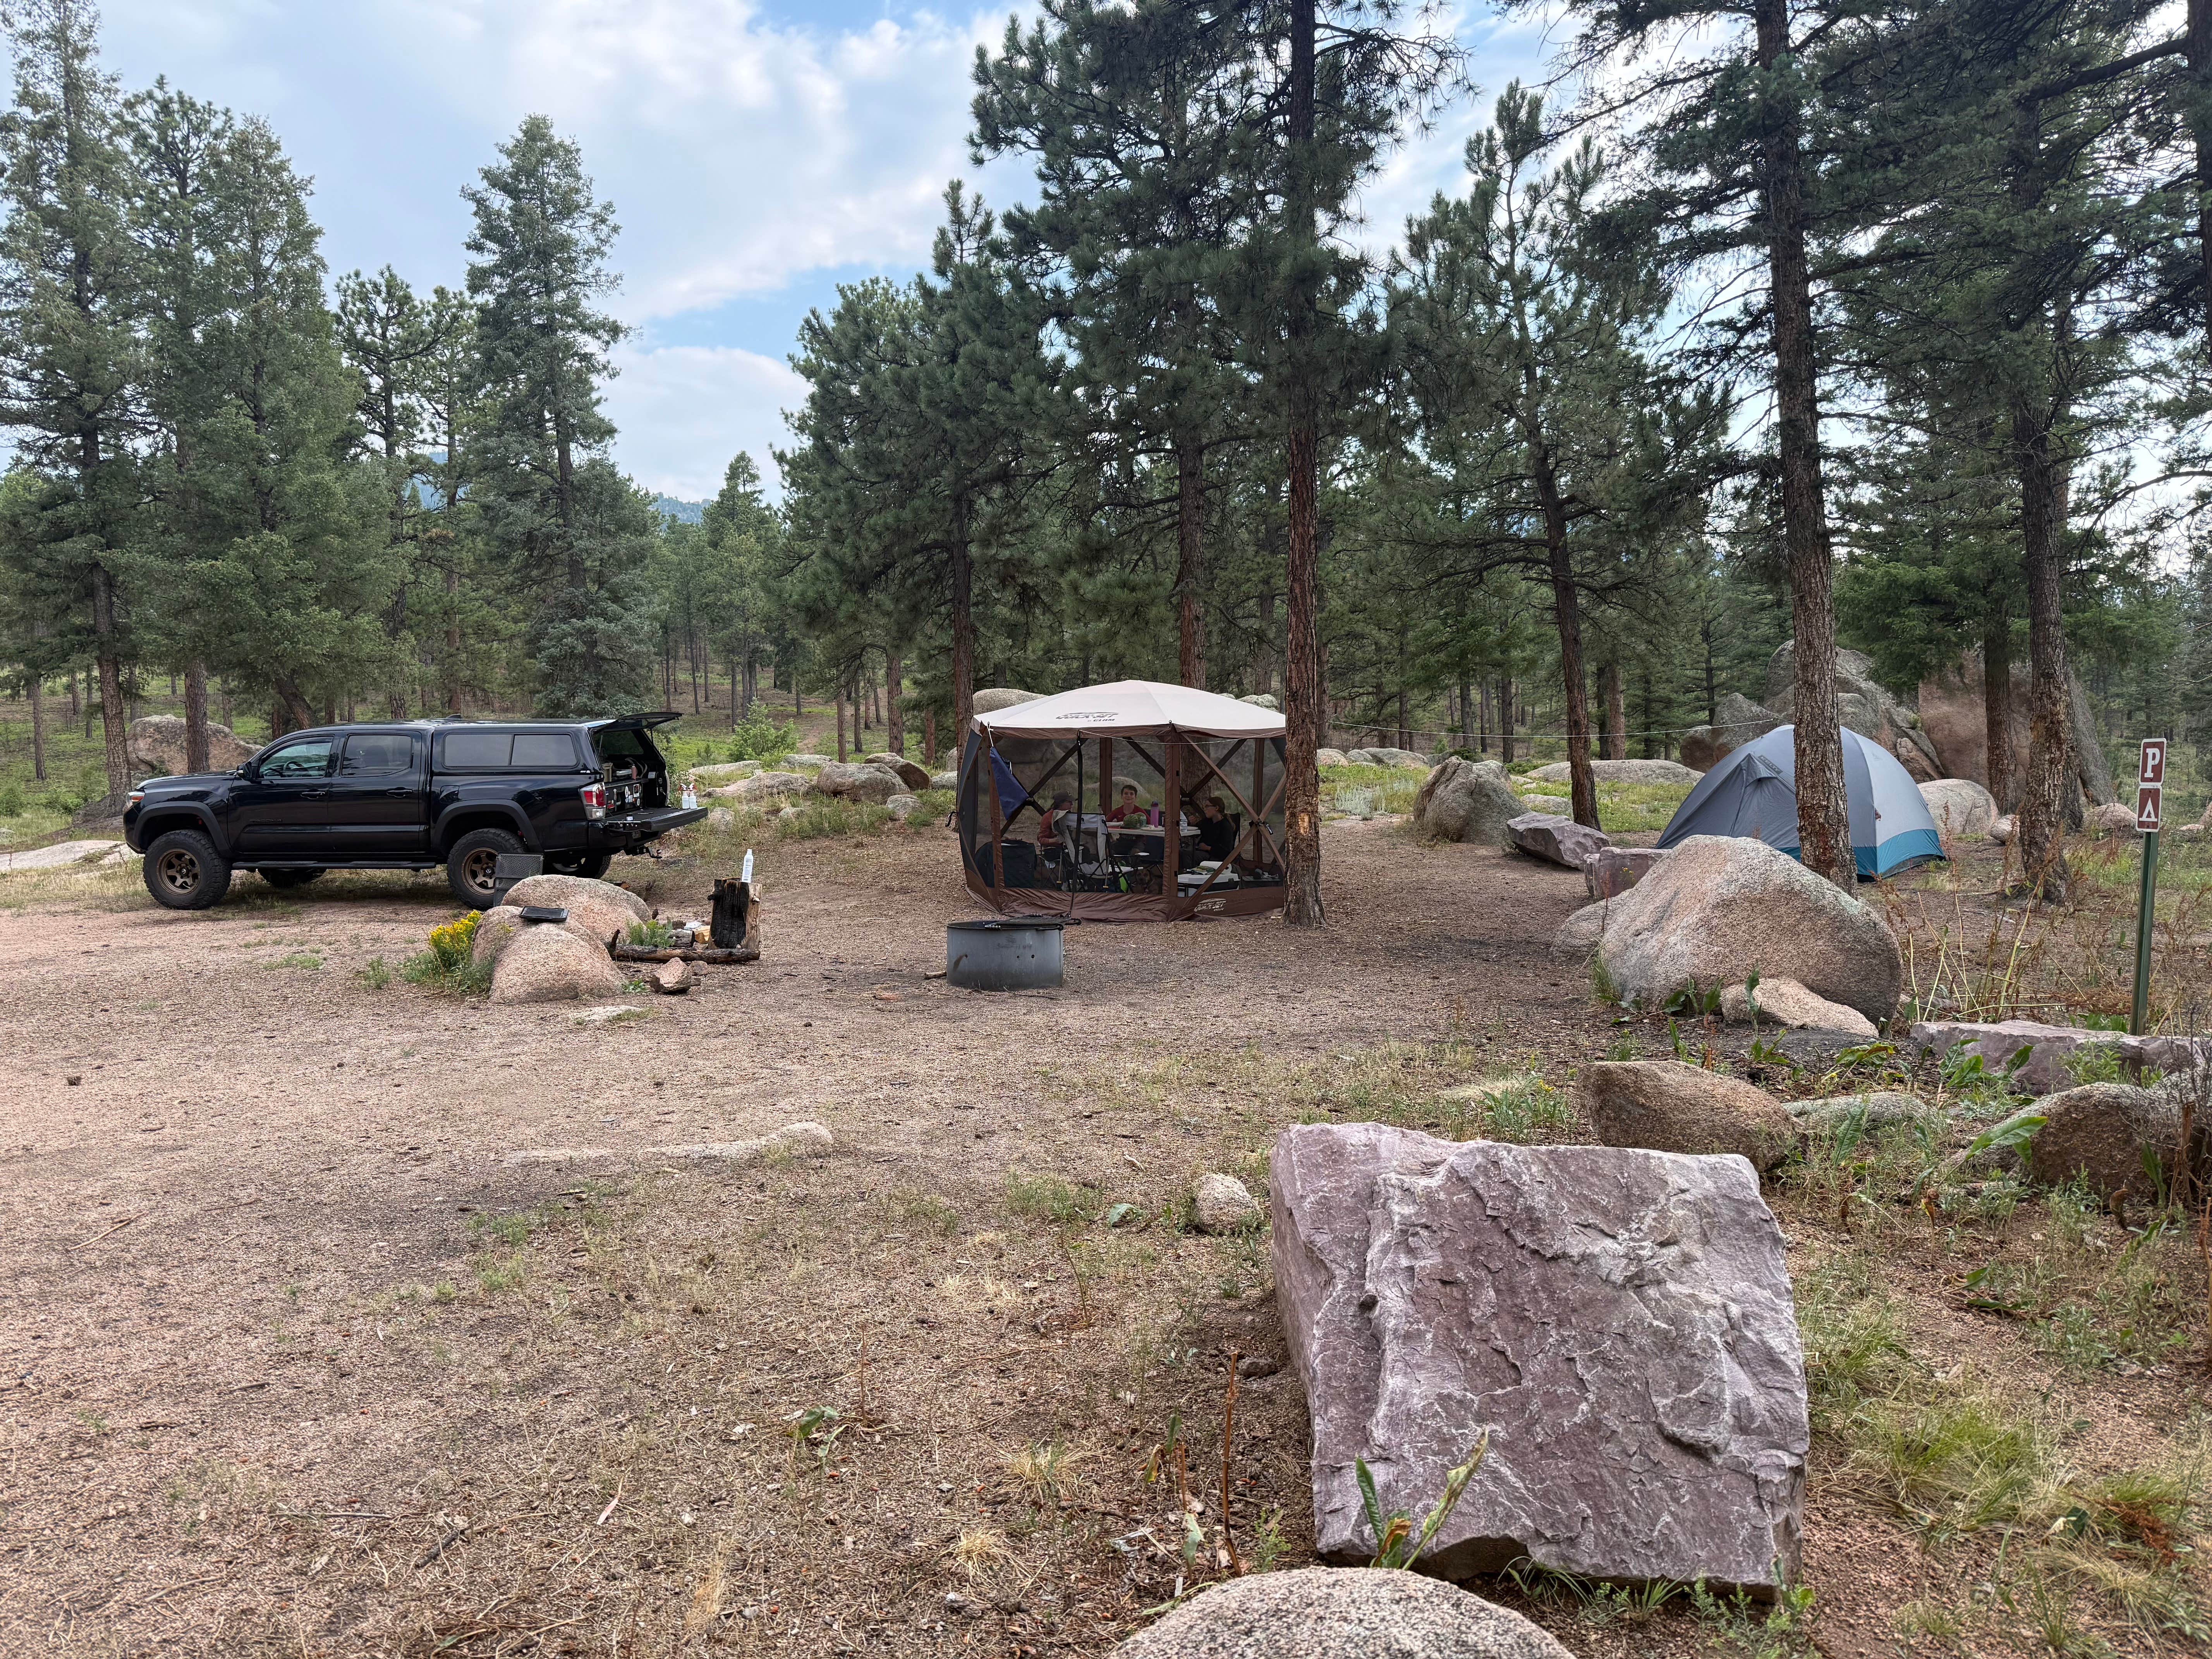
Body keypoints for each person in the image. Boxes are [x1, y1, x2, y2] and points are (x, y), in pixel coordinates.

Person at [1195, 794, 1238, 863]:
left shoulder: (1225, 826)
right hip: (1202, 852)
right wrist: (1191, 823)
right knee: (1182, 852)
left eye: (1207, 806)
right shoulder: (1208, 821)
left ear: (1216, 808)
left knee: (1186, 856)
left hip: (1215, 857)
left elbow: (1227, 850)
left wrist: (1208, 848)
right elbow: (1196, 830)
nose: (1205, 809)